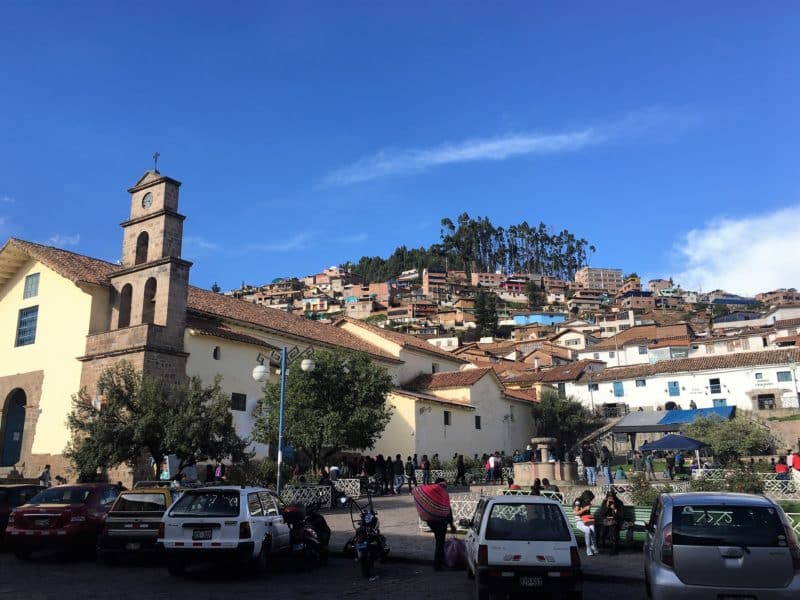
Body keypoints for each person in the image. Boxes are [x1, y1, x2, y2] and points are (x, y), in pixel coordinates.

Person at [415, 478, 456, 571]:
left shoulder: (432, 495)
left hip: (432, 522)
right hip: (441, 523)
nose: (445, 487)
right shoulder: (443, 495)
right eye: (444, 486)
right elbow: (448, 511)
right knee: (440, 543)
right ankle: (437, 565)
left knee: (439, 542)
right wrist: (452, 524)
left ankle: (439, 563)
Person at [573, 490, 597, 556]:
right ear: (586, 497)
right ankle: (588, 548)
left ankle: (593, 545)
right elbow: (576, 513)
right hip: (579, 521)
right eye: (589, 499)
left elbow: (587, 514)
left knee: (593, 528)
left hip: (586, 520)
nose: (590, 501)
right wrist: (585, 508)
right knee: (587, 530)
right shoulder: (578, 501)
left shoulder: (588, 502)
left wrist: (591, 515)